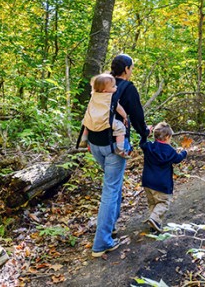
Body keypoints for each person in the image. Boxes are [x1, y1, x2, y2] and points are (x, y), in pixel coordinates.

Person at [87, 54, 150, 257]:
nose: (131, 71)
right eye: (131, 68)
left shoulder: (102, 83)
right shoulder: (126, 88)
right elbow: (137, 116)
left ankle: (110, 227)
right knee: (111, 189)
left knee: (113, 185)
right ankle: (102, 243)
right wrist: (144, 133)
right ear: (126, 69)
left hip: (94, 142)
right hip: (115, 144)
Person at [140, 121, 188, 233]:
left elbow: (142, 144)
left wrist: (145, 135)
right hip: (161, 184)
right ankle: (154, 219)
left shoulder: (149, 147)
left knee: (152, 203)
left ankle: (154, 226)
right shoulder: (170, 151)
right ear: (167, 137)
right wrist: (184, 153)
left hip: (148, 182)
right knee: (163, 203)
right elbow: (178, 158)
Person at [81, 73, 131, 159]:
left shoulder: (93, 95)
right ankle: (120, 149)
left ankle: (84, 140)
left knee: (85, 123)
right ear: (105, 91)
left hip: (92, 120)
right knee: (121, 128)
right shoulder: (110, 98)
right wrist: (125, 116)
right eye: (113, 86)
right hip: (104, 121)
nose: (116, 87)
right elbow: (119, 108)